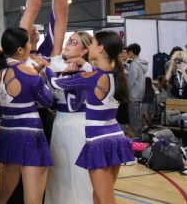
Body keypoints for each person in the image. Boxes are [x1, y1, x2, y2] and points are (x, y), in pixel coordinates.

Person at [45, 30, 134, 204]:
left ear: (100, 48)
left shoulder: (91, 77)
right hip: (116, 137)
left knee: (105, 198)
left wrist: (49, 66)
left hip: (99, 140)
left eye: (92, 43)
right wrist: (83, 64)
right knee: (98, 196)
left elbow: (55, 83)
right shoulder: (119, 74)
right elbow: (94, 71)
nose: (89, 47)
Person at [0, 27, 54, 204]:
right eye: (28, 45)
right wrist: (46, 72)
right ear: (20, 50)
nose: (29, 48)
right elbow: (49, 102)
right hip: (30, 134)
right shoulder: (29, 72)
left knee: (2, 193)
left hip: (7, 132)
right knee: (33, 199)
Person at [44, 32, 93, 204]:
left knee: (80, 174)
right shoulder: (63, 69)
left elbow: (73, 102)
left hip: (78, 124)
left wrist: (47, 68)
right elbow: (52, 102)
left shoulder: (88, 70)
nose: (68, 43)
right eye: (68, 40)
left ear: (84, 50)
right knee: (58, 173)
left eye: (74, 42)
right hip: (60, 122)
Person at [127, 43, 148, 140]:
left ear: (131, 52)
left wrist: (125, 90)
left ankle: (137, 136)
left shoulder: (134, 64)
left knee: (133, 115)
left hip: (133, 94)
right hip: (140, 93)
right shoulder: (142, 64)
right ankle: (138, 134)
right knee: (137, 115)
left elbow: (131, 80)